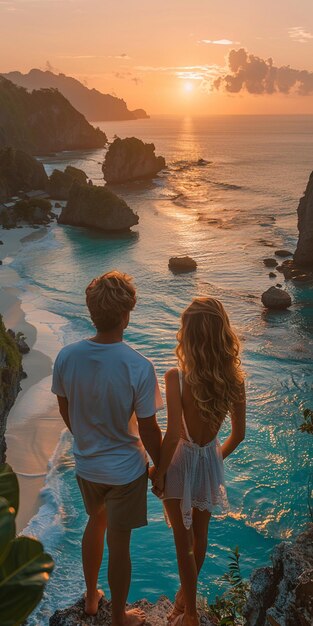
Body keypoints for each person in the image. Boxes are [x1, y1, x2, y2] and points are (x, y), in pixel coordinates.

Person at [52, 270, 163, 626]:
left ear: (91, 311)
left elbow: (64, 406)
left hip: (87, 465)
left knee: (94, 523)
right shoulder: (140, 366)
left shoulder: (67, 357)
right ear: (127, 314)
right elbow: (148, 427)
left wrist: (84, 437)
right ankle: (118, 616)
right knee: (119, 544)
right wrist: (160, 466)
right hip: (127, 470)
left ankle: (90, 596)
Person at [151, 297, 246, 626]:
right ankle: (184, 599)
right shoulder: (235, 381)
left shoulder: (176, 377)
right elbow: (239, 434)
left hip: (180, 462)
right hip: (208, 461)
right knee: (199, 537)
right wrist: (213, 459)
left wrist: (158, 473)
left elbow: (175, 432)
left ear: (187, 336)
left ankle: (189, 612)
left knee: (182, 541)